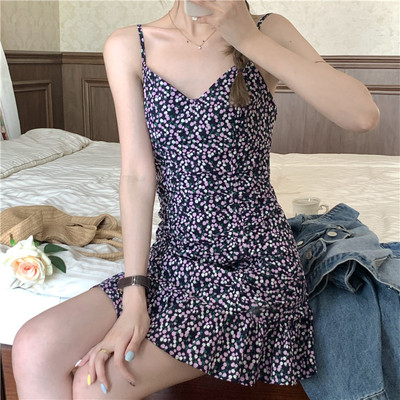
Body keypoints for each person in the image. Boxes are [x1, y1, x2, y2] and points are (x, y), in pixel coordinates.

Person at [11, 1, 380, 399]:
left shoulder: (267, 30)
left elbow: (362, 115)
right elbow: (137, 176)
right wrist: (135, 293)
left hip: (254, 266)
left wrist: (248, 38)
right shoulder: (129, 45)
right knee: (34, 348)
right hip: (174, 259)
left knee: (94, 387)